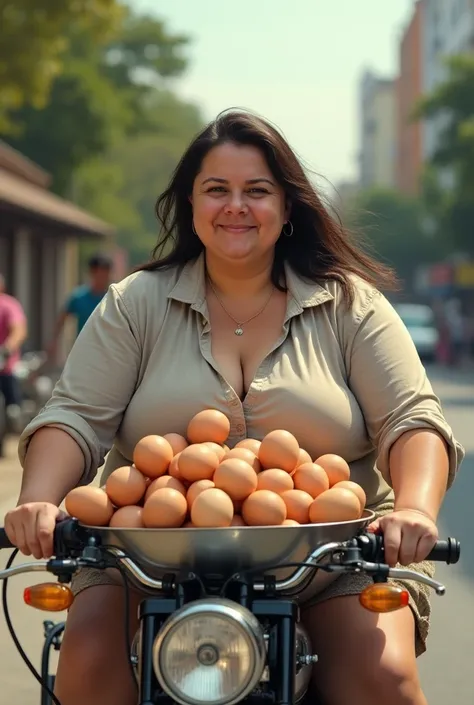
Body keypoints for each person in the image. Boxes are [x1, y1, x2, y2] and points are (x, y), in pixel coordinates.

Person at [4, 110, 464, 705]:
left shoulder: (350, 304)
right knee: (88, 665)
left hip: (334, 552)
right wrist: (37, 500)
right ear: (190, 205)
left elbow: (411, 419)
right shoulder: (134, 304)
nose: (235, 207)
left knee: (385, 681)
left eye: (257, 191)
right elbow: (74, 417)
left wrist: (416, 512)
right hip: (145, 556)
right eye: (216, 190)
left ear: (288, 206)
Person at [46, 253, 113, 361]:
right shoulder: (79, 297)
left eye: (106, 273)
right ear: (92, 272)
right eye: (99, 273)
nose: (103, 277)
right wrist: (54, 342)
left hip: (109, 350)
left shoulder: (114, 298)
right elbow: (62, 319)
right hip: (84, 349)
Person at [0, 274, 27, 431]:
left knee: (13, 408)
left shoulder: (9, 305)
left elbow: (19, 330)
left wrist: (8, 348)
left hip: (5, 365)